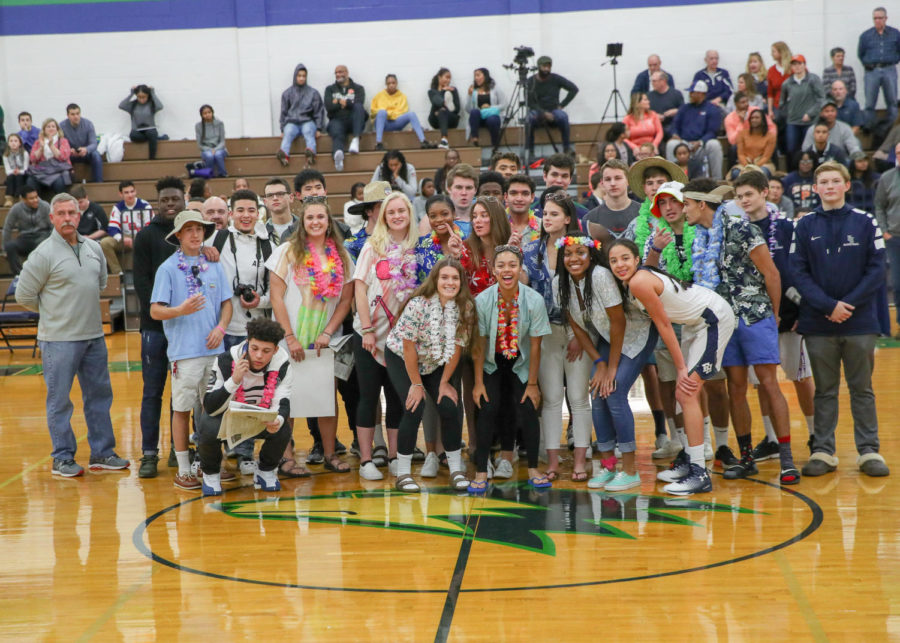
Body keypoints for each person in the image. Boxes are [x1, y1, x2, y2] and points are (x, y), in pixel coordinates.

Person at [683, 176, 798, 483]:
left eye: (687, 204)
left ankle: (787, 459)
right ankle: (746, 457)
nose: (684, 211)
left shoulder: (742, 229)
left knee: (768, 383)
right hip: (724, 322)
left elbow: (771, 274)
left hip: (755, 315)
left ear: (703, 204)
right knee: (735, 386)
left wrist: (773, 315)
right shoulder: (698, 237)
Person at [15, 193, 129, 477]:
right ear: (52, 218)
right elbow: (24, 295)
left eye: (72, 213)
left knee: (100, 396)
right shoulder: (42, 254)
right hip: (58, 340)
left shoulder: (93, 248)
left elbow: (100, 282)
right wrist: (54, 311)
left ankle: (102, 453)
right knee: (60, 400)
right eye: (61, 213)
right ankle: (62, 457)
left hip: (94, 337)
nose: (67, 218)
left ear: (79, 216)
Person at [609, 238, 735, 494]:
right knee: (683, 395)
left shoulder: (638, 281)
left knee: (686, 391)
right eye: (613, 260)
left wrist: (680, 369)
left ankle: (700, 474)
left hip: (713, 320)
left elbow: (664, 325)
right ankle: (691, 459)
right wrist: (654, 250)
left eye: (625, 258)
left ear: (635, 260)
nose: (619, 264)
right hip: (695, 324)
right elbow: (652, 270)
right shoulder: (637, 277)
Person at [792, 161, 889, 477]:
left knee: (862, 388)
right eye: (824, 182)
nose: (830, 186)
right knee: (824, 389)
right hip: (819, 323)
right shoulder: (804, 226)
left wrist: (847, 304)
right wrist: (827, 305)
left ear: (847, 185)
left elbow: (877, 269)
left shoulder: (866, 222)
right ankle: (823, 450)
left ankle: (869, 451)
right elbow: (798, 272)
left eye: (836, 180)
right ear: (816, 188)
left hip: (859, 322)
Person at [558, 235, 656, 491]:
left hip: (636, 333)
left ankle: (631, 471)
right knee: (597, 393)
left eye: (580, 252)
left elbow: (619, 321)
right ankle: (609, 465)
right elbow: (578, 329)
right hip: (606, 338)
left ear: (590, 255)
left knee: (613, 391)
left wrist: (611, 368)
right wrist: (599, 363)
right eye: (568, 253)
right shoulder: (562, 282)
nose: (574, 258)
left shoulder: (600, 275)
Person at [267, 196, 355, 476]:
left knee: (325, 399)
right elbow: (277, 297)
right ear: (302, 223)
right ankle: (287, 458)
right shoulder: (286, 252)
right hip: (288, 341)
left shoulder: (341, 256)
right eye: (310, 218)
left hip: (324, 343)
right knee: (287, 400)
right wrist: (289, 337)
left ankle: (330, 454)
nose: (316, 222)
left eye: (321, 217)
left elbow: (345, 301)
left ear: (329, 223)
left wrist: (329, 332)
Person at [150, 210, 232, 491]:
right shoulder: (168, 269)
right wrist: (180, 310)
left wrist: (221, 328)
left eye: (199, 228)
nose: (195, 234)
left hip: (214, 349)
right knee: (182, 409)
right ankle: (184, 468)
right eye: (189, 230)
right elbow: (155, 311)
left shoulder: (215, 264)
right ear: (179, 236)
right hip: (184, 353)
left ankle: (209, 465)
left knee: (213, 409)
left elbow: (227, 304)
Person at [133, 177, 210, 478]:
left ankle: (179, 450)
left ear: (184, 198)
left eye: (174, 199)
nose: (169, 204)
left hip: (188, 330)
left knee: (188, 392)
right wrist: (165, 312)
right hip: (155, 328)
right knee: (153, 392)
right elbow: (141, 283)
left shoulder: (194, 235)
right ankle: (148, 454)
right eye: (163, 200)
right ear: (157, 202)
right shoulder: (145, 237)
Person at [385, 258, 475, 492]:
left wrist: (444, 382)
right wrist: (416, 384)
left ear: (461, 282)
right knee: (414, 406)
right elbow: (408, 348)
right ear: (435, 280)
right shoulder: (418, 305)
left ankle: (456, 469)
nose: (450, 282)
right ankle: (403, 474)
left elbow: (457, 348)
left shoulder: (465, 308)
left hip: (435, 362)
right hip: (402, 357)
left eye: (455, 278)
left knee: (449, 405)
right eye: (444, 277)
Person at [469, 244, 552, 493]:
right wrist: (478, 382)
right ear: (493, 270)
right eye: (501, 265)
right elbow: (479, 345)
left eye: (512, 265)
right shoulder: (482, 300)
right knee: (488, 406)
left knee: (527, 405)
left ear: (520, 269)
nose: (507, 270)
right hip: (491, 361)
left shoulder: (533, 300)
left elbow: (536, 346)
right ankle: (481, 470)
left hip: (522, 360)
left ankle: (534, 469)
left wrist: (533, 384)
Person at [521, 194, 590, 480]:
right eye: (544, 214)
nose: (546, 218)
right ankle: (551, 461)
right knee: (550, 399)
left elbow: (589, 293)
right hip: (544, 333)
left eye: (553, 214)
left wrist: (581, 334)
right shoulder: (529, 250)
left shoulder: (581, 248)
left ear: (567, 219)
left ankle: (579, 463)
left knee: (578, 397)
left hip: (578, 333)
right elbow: (522, 288)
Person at [352, 192, 419, 480]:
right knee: (368, 397)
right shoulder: (372, 247)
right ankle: (366, 460)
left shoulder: (418, 248)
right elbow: (359, 289)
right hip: (369, 335)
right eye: (390, 212)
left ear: (409, 213)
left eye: (401, 210)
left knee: (396, 397)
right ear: (383, 216)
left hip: (401, 340)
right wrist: (366, 328)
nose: (396, 216)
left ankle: (394, 456)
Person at [196, 318, 294, 496]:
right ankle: (210, 473)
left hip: (260, 420)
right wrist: (233, 380)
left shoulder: (283, 364)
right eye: (254, 348)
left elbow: (283, 402)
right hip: (227, 419)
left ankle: (265, 471)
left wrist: (277, 421)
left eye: (266, 351)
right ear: (248, 343)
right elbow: (210, 407)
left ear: (276, 350)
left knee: (283, 428)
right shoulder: (225, 360)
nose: (258, 356)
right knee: (207, 425)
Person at [208, 189, 272, 351]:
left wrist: (261, 301)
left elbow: (277, 293)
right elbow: (185, 249)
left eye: (251, 210)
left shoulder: (269, 246)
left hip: (257, 330)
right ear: (230, 213)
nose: (246, 215)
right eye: (240, 210)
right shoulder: (215, 239)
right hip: (220, 330)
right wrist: (202, 250)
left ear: (258, 214)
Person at [665, 80, 724, 180]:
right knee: (671, 144)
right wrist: (675, 134)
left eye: (693, 92)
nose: (690, 95)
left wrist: (700, 142)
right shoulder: (684, 108)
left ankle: (717, 180)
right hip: (683, 143)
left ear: (701, 94)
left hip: (702, 145)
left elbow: (712, 131)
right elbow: (674, 125)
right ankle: (672, 178)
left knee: (714, 145)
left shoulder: (712, 109)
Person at [525, 55, 579, 157]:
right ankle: (530, 151)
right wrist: (544, 113)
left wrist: (562, 105)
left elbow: (574, 89)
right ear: (539, 67)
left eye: (548, 66)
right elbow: (530, 102)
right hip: (537, 111)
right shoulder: (530, 81)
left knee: (563, 116)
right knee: (529, 119)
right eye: (544, 66)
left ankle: (566, 148)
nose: (546, 69)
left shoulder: (556, 78)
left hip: (554, 110)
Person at [858, 7, 900, 130]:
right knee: (870, 103)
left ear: (885, 18)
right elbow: (861, 53)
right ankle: (869, 128)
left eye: (880, 18)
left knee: (892, 101)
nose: (877, 21)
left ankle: (892, 129)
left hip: (889, 69)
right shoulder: (866, 35)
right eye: (875, 18)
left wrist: (894, 59)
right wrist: (868, 64)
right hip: (872, 71)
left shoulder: (895, 33)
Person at [277, 63, 325, 168]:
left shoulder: (313, 93)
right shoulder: (287, 93)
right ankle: (284, 155)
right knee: (288, 132)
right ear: (295, 76)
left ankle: (311, 153)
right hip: (292, 122)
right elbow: (284, 112)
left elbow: (318, 111)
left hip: (308, 121)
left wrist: (318, 128)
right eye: (299, 76)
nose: (302, 78)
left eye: (304, 76)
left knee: (308, 132)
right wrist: (282, 129)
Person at [460, 196, 511, 296]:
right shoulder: (465, 249)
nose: (477, 220)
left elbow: (522, 284)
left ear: (496, 219)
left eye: (484, 215)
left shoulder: (510, 247)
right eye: (474, 216)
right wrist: (455, 257)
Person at [102, 180, 155, 275]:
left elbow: (150, 226)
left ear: (135, 191)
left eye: (132, 191)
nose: (130, 195)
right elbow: (112, 228)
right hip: (124, 237)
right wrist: (122, 238)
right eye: (126, 192)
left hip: (141, 236)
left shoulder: (145, 205)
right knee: (105, 243)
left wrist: (139, 238)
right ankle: (118, 273)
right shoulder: (118, 207)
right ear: (120, 194)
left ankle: (149, 271)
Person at [875, 142, 900, 335]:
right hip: (895, 237)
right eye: (899, 153)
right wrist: (884, 231)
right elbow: (879, 206)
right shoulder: (887, 178)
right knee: (898, 284)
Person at [780, 55, 826, 162]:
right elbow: (782, 102)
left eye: (799, 64)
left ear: (804, 65)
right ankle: (792, 173)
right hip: (793, 121)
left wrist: (810, 113)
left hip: (810, 121)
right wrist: (789, 113)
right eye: (794, 64)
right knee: (791, 148)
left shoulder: (813, 79)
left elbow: (821, 98)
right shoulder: (787, 83)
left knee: (809, 149)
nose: (797, 67)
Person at [371, 74, 434, 150]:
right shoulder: (379, 96)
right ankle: (378, 143)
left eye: (393, 83)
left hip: (395, 123)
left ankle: (423, 141)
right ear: (386, 84)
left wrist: (389, 114)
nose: (391, 85)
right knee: (382, 112)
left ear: (396, 83)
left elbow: (401, 112)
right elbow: (373, 112)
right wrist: (387, 113)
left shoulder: (402, 96)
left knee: (411, 114)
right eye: (389, 83)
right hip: (383, 124)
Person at [583, 160, 641, 240]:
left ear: (628, 181)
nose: (613, 183)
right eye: (608, 179)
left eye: (618, 178)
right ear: (602, 183)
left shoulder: (643, 213)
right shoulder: (590, 219)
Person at [324, 65, 367, 172]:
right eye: (336, 73)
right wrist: (344, 103)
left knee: (358, 108)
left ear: (347, 73)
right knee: (337, 131)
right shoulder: (330, 89)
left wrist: (340, 102)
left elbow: (359, 103)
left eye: (340, 72)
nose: (338, 74)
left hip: (354, 120)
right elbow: (329, 107)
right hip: (337, 120)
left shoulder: (358, 88)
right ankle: (338, 156)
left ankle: (356, 139)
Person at [414, 194, 465, 282]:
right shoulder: (420, 246)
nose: (439, 219)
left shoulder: (468, 243)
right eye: (433, 216)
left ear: (453, 214)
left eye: (444, 214)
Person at [2, 186, 51, 275]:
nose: (36, 200)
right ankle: (20, 274)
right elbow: (7, 227)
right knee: (9, 246)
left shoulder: (45, 206)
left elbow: (53, 227)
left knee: (41, 244)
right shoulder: (16, 208)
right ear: (23, 199)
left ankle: (40, 275)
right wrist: (4, 248)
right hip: (25, 238)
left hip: (42, 236)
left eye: (36, 197)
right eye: (31, 198)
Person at [345, 181, 390, 261]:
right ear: (368, 211)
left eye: (390, 206)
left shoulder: (399, 239)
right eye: (382, 206)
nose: (389, 211)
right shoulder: (352, 244)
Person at [27, 118, 72, 196]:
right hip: (42, 170)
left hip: (58, 170)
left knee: (59, 183)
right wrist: (41, 147)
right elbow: (32, 159)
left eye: (53, 126)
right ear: (44, 129)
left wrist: (51, 145)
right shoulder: (38, 142)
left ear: (57, 129)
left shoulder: (63, 141)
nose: (51, 128)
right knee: (31, 182)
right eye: (48, 126)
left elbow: (64, 157)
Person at [60, 103, 102, 183]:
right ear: (67, 115)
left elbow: (94, 143)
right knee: (62, 158)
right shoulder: (62, 126)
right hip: (70, 154)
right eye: (72, 114)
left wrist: (86, 149)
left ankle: (98, 183)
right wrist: (68, 150)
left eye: (77, 113)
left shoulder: (88, 124)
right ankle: (68, 185)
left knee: (96, 155)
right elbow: (60, 144)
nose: (76, 116)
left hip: (86, 153)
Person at [120, 84, 163, 159]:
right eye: (139, 97)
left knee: (151, 133)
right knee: (133, 136)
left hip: (150, 129)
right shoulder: (133, 105)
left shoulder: (151, 104)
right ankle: (155, 138)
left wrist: (152, 93)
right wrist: (132, 93)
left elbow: (160, 106)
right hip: (137, 131)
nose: (141, 99)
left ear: (147, 95)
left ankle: (152, 158)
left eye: (144, 97)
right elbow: (121, 105)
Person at [466, 68, 504, 149]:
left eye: (478, 75)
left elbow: (504, 105)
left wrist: (490, 107)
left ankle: (495, 145)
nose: (476, 78)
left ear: (485, 76)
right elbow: (468, 109)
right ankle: (475, 139)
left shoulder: (495, 89)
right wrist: (469, 95)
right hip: (478, 118)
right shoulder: (474, 91)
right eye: (475, 76)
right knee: (474, 111)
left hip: (491, 116)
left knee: (493, 119)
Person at [735, 109, 777, 178]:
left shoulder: (771, 136)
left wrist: (755, 167)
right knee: (736, 173)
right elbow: (740, 154)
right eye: (752, 118)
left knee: (762, 173)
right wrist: (747, 167)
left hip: (763, 164)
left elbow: (766, 157)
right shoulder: (742, 134)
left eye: (757, 118)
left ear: (763, 120)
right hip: (745, 163)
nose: (753, 120)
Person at [427, 68, 461, 149]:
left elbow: (457, 109)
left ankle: (444, 140)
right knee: (438, 102)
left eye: (450, 78)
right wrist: (443, 91)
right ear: (439, 77)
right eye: (447, 77)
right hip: (435, 120)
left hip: (451, 118)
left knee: (442, 111)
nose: (448, 80)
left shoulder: (453, 90)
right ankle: (444, 104)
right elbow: (436, 102)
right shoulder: (431, 91)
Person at [504, 173, 540, 246]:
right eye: (513, 193)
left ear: (532, 197)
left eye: (525, 194)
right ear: (506, 197)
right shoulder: (495, 226)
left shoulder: (544, 226)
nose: (519, 199)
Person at [649, 71, 685, 141]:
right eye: (652, 81)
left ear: (663, 81)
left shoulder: (676, 94)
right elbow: (644, 113)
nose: (652, 84)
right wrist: (654, 116)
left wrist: (676, 111)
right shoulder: (649, 96)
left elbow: (684, 111)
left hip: (672, 126)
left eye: (654, 81)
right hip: (654, 127)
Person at [195, 104, 227, 178]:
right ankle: (209, 174)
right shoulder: (198, 126)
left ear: (212, 113)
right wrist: (210, 150)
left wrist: (215, 149)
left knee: (218, 154)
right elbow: (199, 145)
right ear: (201, 115)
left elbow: (222, 142)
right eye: (205, 113)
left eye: (209, 112)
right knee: (209, 156)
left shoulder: (219, 123)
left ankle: (223, 174)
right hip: (206, 149)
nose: (207, 115)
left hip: (219, 148)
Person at [263, 177, 297, 245]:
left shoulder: (304, 228)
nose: (275, 198)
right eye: (270, 195)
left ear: (291, 197)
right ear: (265, 202)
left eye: (280, 194)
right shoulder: (262, 233)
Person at [3, 133, 28, 207]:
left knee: (19, 177)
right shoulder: (6, 155)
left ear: (20, 143)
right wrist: (13, 172)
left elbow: (26, 168)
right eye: (11, 141)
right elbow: (7, 170)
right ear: (8, 143)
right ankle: (9, 199)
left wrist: (19, 171)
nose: (13, 143)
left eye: (15, 141)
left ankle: (20, 197)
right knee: (11, 177)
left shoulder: (25, 153)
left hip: (22, 174)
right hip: (12, 174)